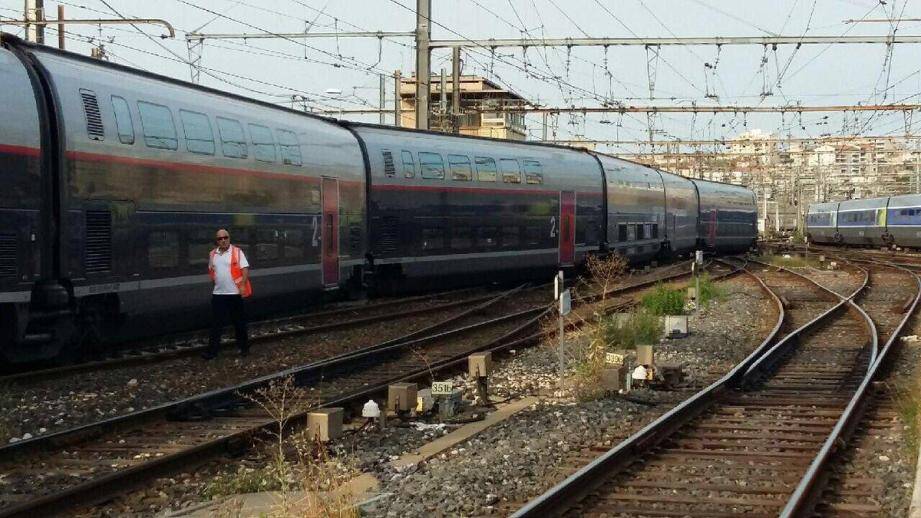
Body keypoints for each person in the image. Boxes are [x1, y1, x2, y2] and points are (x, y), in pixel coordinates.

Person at [203, 229, 251, 359]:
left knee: (239, 323)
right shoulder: (213, 254)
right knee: (216, 324)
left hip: (234, 294)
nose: (223, 240)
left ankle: (244, 349)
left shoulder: (237, 252)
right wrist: (216, 286)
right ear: (217, 241)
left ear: (229, 238)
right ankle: (212, 352)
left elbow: (245, 270)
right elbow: (212, 272)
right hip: (218, 295)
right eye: (220, 238)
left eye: (226, 237)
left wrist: (242, 285)